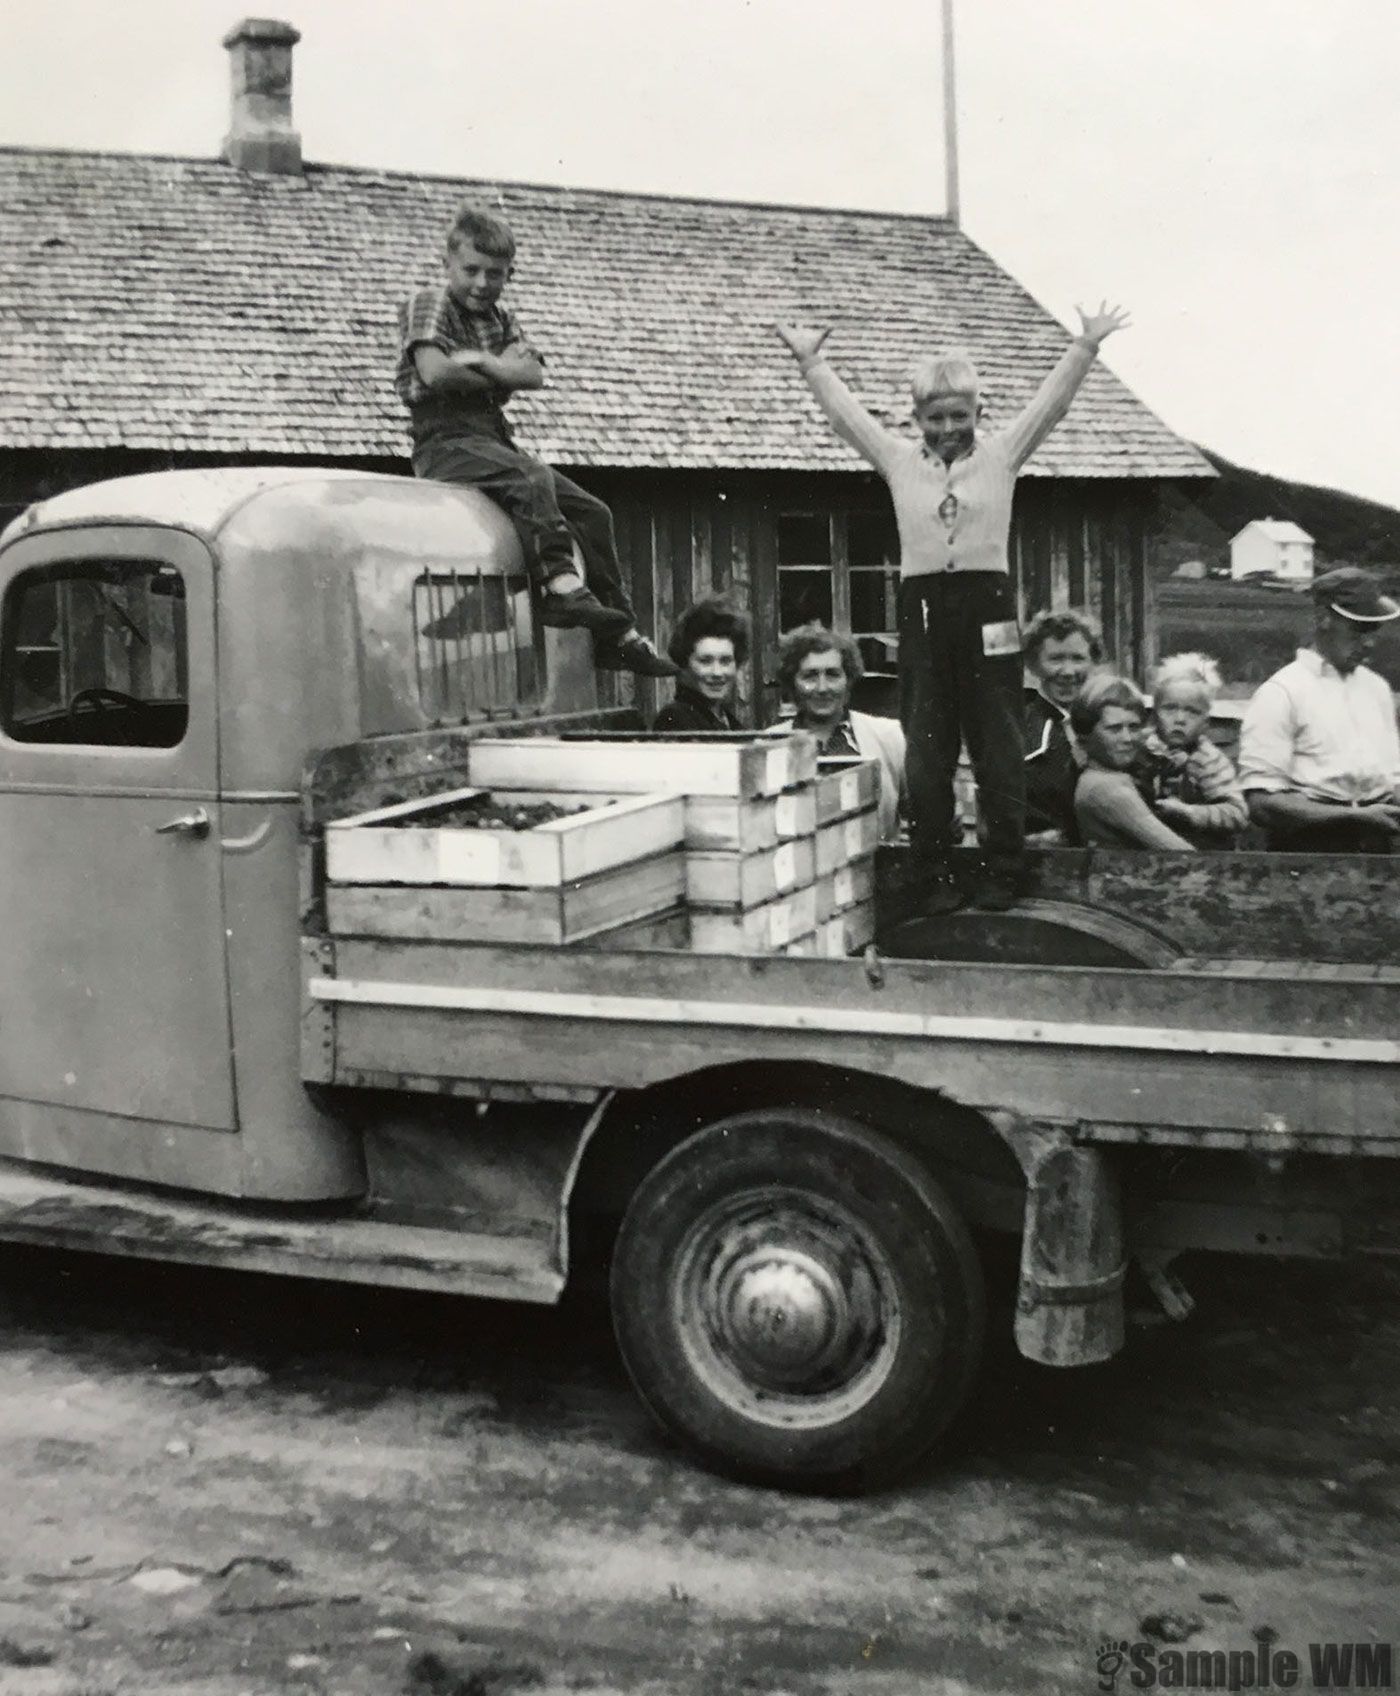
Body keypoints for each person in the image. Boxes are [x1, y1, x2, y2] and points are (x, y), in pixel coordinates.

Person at [775, 304, 1129, 913]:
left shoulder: (1000, 456)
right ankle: (932, 867)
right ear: (916, 419)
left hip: (988, 605)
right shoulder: (896, 460)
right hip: (923, 610)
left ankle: (1004, 864)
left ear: (977, 415)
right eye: (935, 418)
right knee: (928, 744)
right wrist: (812, 362)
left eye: (959, 417)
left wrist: (1084, 348)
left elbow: (1051, 407)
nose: (947, 428)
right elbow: (846, 419)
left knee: (997, 739)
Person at [396, 202, 676, 678]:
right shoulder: (432, 302)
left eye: (496, 274)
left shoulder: (501, 318)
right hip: (443, 441)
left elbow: (532, 375)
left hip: (492, 438)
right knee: (531, 477)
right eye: (472, 271)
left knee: (592, 512)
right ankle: (561, 587)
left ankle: (618, 634)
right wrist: (497, 368)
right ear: (448, 264)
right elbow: (435, 372)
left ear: (510, 274)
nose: (482, 284)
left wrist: (477, 361)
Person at [1237, 567, 1400, 852]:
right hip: (1311, 848)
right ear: (1323, 618)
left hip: (1379, 844)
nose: (1370, 642)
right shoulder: (1282, 692)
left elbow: (1392, 781)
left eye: (1374, 630)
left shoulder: (1377, 690)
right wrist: (1353, 816)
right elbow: (1261, 804)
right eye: (1358, 629)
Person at [776, 624, 907, 843]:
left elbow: (920, 810)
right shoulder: (770, 743)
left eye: (833, 675)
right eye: (809, 676)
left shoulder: (889, 736)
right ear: (792, 683)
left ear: (849, 679)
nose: (822, 687)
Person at [1135, 652, 1248, 849]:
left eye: (1192, 711)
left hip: (1201, 852)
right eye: (1170, 708)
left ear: (1205, 723)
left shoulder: (1208, 759)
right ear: (1154, 714)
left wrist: (1189, 812)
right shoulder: (1140, 748)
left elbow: (1237, 814)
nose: (1180, 719)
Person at [1072, 675, 1195, 851]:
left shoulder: (1109, 776)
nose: (1127, 738)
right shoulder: (1106, 788)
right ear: (1086, 736)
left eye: (1134, 727)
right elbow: (1181, 853)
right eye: (1114, 729)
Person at [1022, 608, 1103, 843]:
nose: (1068, 672)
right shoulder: (1025, 727)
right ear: (1034, 665)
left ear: (1094, 661)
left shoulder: (1106, 720)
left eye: (1078, 659)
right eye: (1055, 659)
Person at [652, 599, 750, 731]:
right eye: (705, 661)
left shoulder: (725, 717)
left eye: (725, 661)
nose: (717, 672)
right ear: (685, 664)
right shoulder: (675, 719)